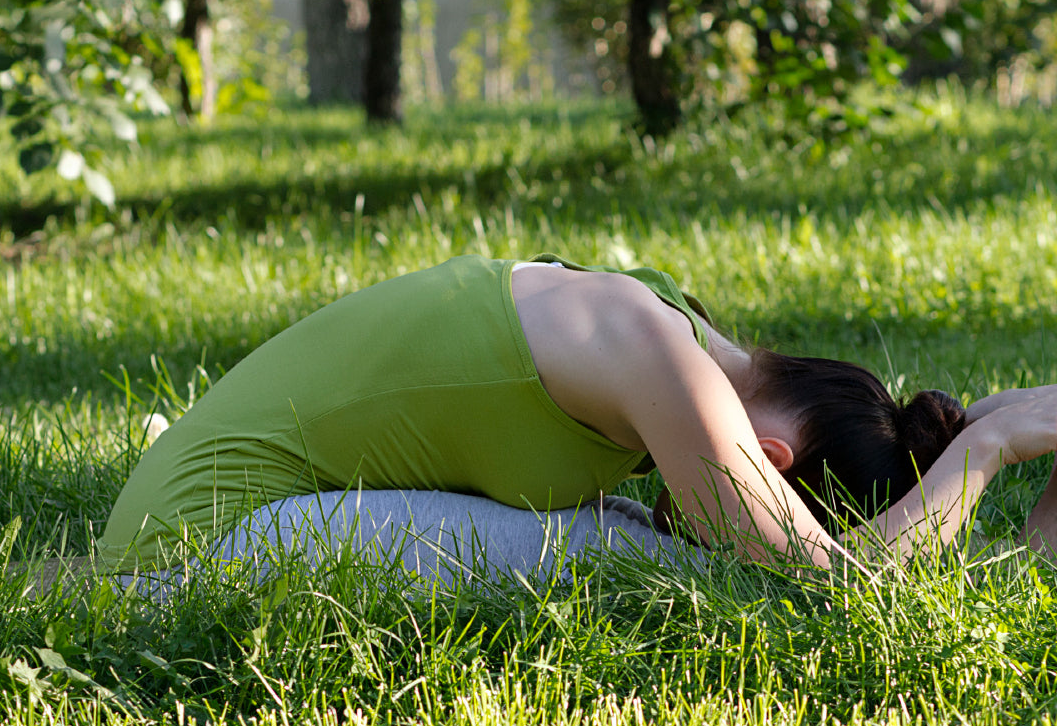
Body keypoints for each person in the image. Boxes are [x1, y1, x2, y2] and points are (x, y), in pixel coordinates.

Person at [88, 253, 1057, 589]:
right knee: (626, 551)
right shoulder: (659, 365)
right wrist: (989, 447)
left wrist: (995, 423)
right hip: (208, 550)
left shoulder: (665, 316)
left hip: (222, 525)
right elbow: (833, 591)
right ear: (770, 460)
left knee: (618, 537)